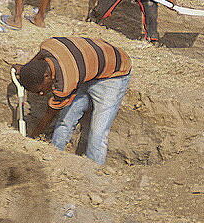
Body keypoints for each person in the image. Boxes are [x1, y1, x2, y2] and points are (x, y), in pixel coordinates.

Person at [14, 37, 131, 165]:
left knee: (98, 132)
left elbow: (49, 115)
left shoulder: (65, 83)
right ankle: (53, 158)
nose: (41, 94)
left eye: (40, 90)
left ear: (47, 76)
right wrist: (25, 68)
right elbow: (38, 58)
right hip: (87, 70)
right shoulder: (48, 46)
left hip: (114, 73)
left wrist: (31, 139)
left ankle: (94, 172)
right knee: (65, 120)